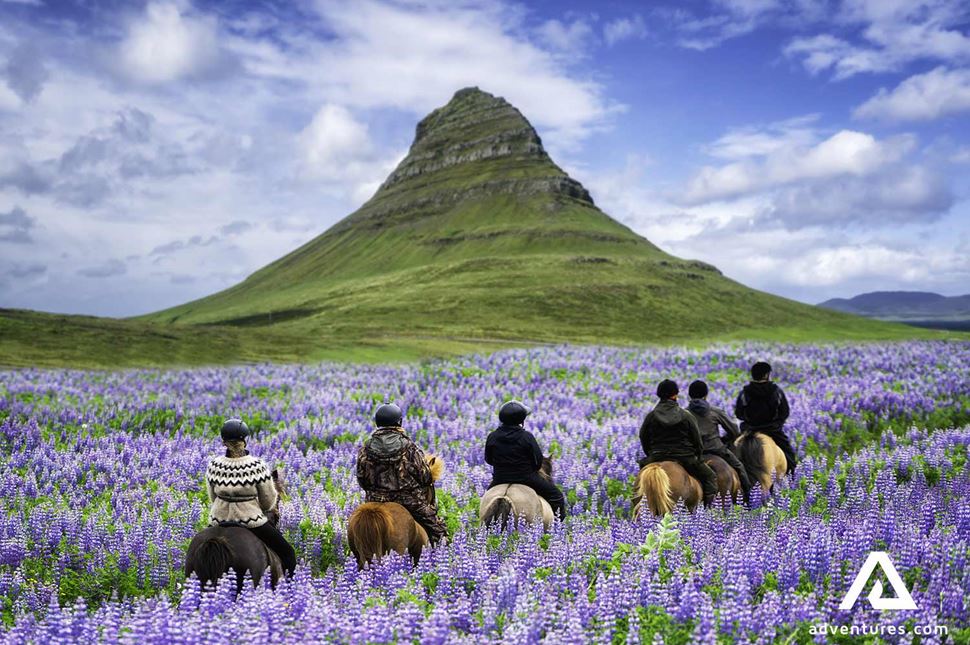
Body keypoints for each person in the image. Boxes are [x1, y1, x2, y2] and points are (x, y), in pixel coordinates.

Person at [206, 418, 297, 577]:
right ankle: (288, 590)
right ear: (244, 441)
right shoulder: (256, 466)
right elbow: (268, 501)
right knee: (287, 552)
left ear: (223, 442)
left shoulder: (214, 465)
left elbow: (213, 497)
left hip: (217, 520)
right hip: (251, 521)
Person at [356, 404, 448, 545]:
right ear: (399, 422)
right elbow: (424, 477)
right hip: (409, 501)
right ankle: (441, 553)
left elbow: (362, 479)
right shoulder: (409, 447)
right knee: (437, 529)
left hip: (375, 500)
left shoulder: (366, 448)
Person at [639, 379, 718, 506]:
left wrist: (651, 454)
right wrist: (697, 454)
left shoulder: (651, 416)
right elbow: (697, 440)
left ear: (659, 395)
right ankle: (710, 510)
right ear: (675, 395)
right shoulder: (685, 415)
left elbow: (643, 437)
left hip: (657, 455)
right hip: (684, 457)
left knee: (641, 476)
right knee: (710, 477)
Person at [484, 400, 567, 519]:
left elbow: (489, 459)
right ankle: (558, 530)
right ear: (521, 420)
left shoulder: (492, 436)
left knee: (486, 500)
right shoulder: (526, 437)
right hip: (527, 478)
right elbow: (538, 462)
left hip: (500, 478)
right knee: (557, 497)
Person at [686, 380, 752, 496]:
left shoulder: (684, 413)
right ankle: (748, 496)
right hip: (716, 449)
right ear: (706, 395)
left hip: (693, 452)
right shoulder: (715, 411)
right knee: (739, 467)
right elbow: (734, 430)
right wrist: (725, 439)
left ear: (689, 395)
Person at [734, 361, 798, 474]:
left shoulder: (745, 392)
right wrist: (777, 423)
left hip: (749, 430)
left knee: (731, 452)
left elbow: (739, 413)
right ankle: (792, 477)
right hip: (772, 430)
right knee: (789, 456)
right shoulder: (776, 391)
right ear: (766, 375)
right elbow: (784, 412)